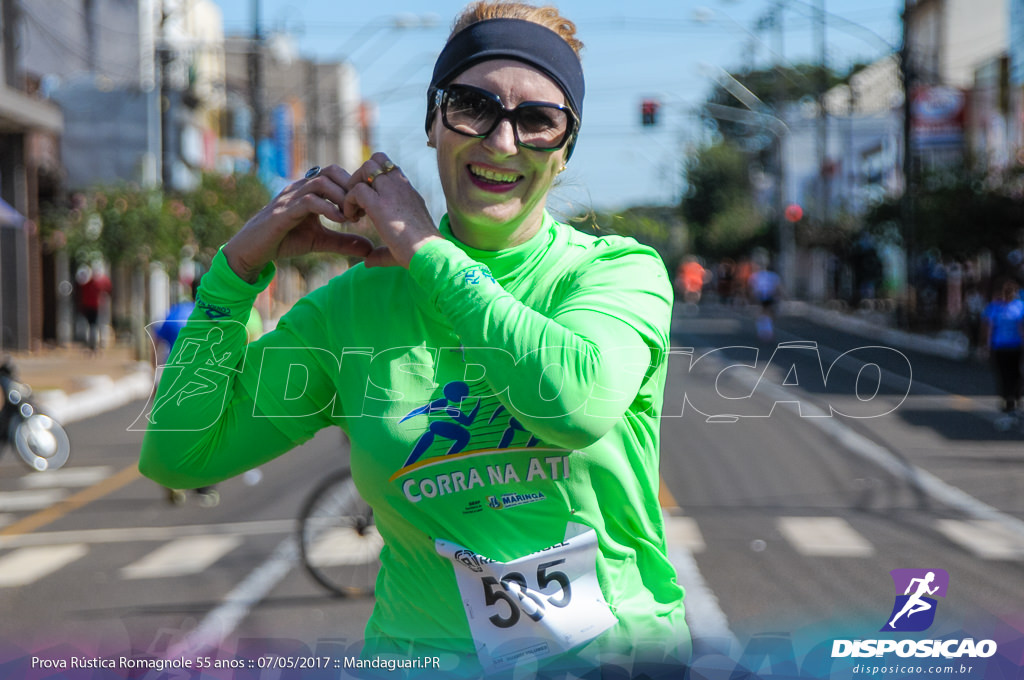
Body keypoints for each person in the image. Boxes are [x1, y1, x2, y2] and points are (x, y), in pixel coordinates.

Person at [139, 2, 686, 676]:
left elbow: (570, 405)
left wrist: (425, 249)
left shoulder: (614, 275)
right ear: (433, 123)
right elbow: (181, 454)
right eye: (471, 107)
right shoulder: (352, 309)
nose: (502, 142)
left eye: (537, 121)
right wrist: (235, 275)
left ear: (566, 149)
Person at [981, 279, 1024, 430]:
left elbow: (1021, 327)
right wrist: (987, 345)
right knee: (1003, 375)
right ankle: (1007, 400)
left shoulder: (1019, 307)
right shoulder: (995, 307)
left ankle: (1015, 398)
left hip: (1016, 347)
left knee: (1017, 375)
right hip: (1000, 346)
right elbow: (989, 327)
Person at [77, 263, 112, 352]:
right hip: (93, 307)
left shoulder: (91, 283)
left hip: (94, 307)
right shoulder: (91, 283)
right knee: (94, 325)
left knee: (94, 325)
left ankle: (94, 343)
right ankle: (94, 344)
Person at [748, 262, 783, 341]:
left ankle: (761, 328)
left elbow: (752, 285)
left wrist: (752, 296)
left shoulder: (757, 275)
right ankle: (767, 330)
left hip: (760, 294)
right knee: (768, 312)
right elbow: (778, 287)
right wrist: (780, 296)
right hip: (769, 294)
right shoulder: (774, 276)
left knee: (761, 311)